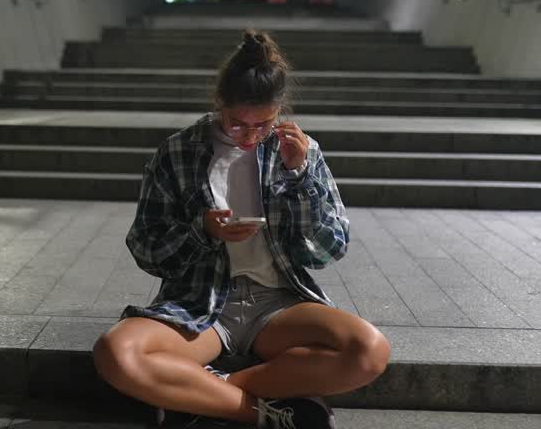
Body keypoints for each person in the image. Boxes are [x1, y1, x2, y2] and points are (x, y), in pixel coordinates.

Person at [93, 31, 390, 428]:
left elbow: (328, 249)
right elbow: (145, 247)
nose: (250, 137)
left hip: (280, 303)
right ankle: (263, 414)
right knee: (115, 352)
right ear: (220, 105)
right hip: (200, 302)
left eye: (263, 125)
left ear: (279, 110)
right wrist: (202, 230)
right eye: (236, 125)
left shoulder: (300, 152)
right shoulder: (179, 151)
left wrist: (299, 177)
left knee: (369, 351)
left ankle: (201, 393)